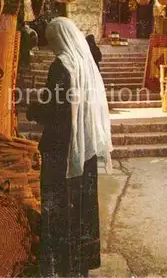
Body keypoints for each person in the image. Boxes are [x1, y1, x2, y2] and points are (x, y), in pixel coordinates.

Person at [26, 17, 113, 278]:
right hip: (83, 152)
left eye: (52, 41)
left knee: (58, 207)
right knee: (81, 206)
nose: (51, 47)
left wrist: (33, 110)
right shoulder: (84, 65)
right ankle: (79, 266)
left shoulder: (61, 66)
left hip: (60, 151)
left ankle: (58, 268)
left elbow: (57, 111)